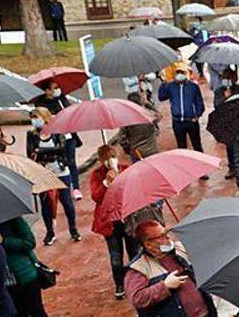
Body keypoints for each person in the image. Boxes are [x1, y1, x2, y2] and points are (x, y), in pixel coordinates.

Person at [0, 217, 62, 317]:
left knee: (36, 310)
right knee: (18, 313)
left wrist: (4, 241)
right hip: (5, 279)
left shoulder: (13, 219)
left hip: (25, 274)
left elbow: (29, 242)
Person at [90, 145, 141, 299]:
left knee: (134, 252)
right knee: (116, 255)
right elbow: (96, 197)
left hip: (127, 218)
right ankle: (119, 284)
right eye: (106, 159)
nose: (110, 162)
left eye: (112, 157)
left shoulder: (125, 169)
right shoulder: (97, 175)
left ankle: (136, 281)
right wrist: (106, 183)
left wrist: (120, 179)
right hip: (110, 222)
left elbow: (133, 190)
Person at [26, 108, 81, 245]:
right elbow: (30, 152)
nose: (34, 120)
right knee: (46, 204)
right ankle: (50, 232)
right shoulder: (31, 134)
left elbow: (62, 148)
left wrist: (42, 151)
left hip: (60, 170)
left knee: (66, 201)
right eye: (32, 117)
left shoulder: (57, 132)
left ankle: (73, 229)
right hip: (43, 172)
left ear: (45, 117)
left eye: (36, 117)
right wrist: (46, 152)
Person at [32, 81, 83, 198]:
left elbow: (70, 112)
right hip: (54, 139)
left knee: (71, 161)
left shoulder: (61, 99)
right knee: (58, 163)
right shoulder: (40, 104)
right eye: (54, 88)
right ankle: (59, 188)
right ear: (47, 91)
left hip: (68, 135)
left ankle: (75, 188)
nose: (57, 90)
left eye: (58, 87)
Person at [157, 66, 207, 160]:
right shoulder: (171, 86)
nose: (179, 74)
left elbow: (199, 103)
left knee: (197, 146)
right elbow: (161, 97)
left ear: (186, 74)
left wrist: (197, 115)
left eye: (182, 72)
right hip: (177, 122)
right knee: (181, 148)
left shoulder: (193, 86)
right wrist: (163, 83)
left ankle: (202, 168)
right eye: (177, 72)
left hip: (191, 121)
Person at [117, 92, 161, 160]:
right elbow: (159, 115)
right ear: (140, 102)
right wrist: (147, 104)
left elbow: (122, 139)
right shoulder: (149, 115)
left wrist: (128, 150)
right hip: (153, 150)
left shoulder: (126, 119)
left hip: (137, 153)